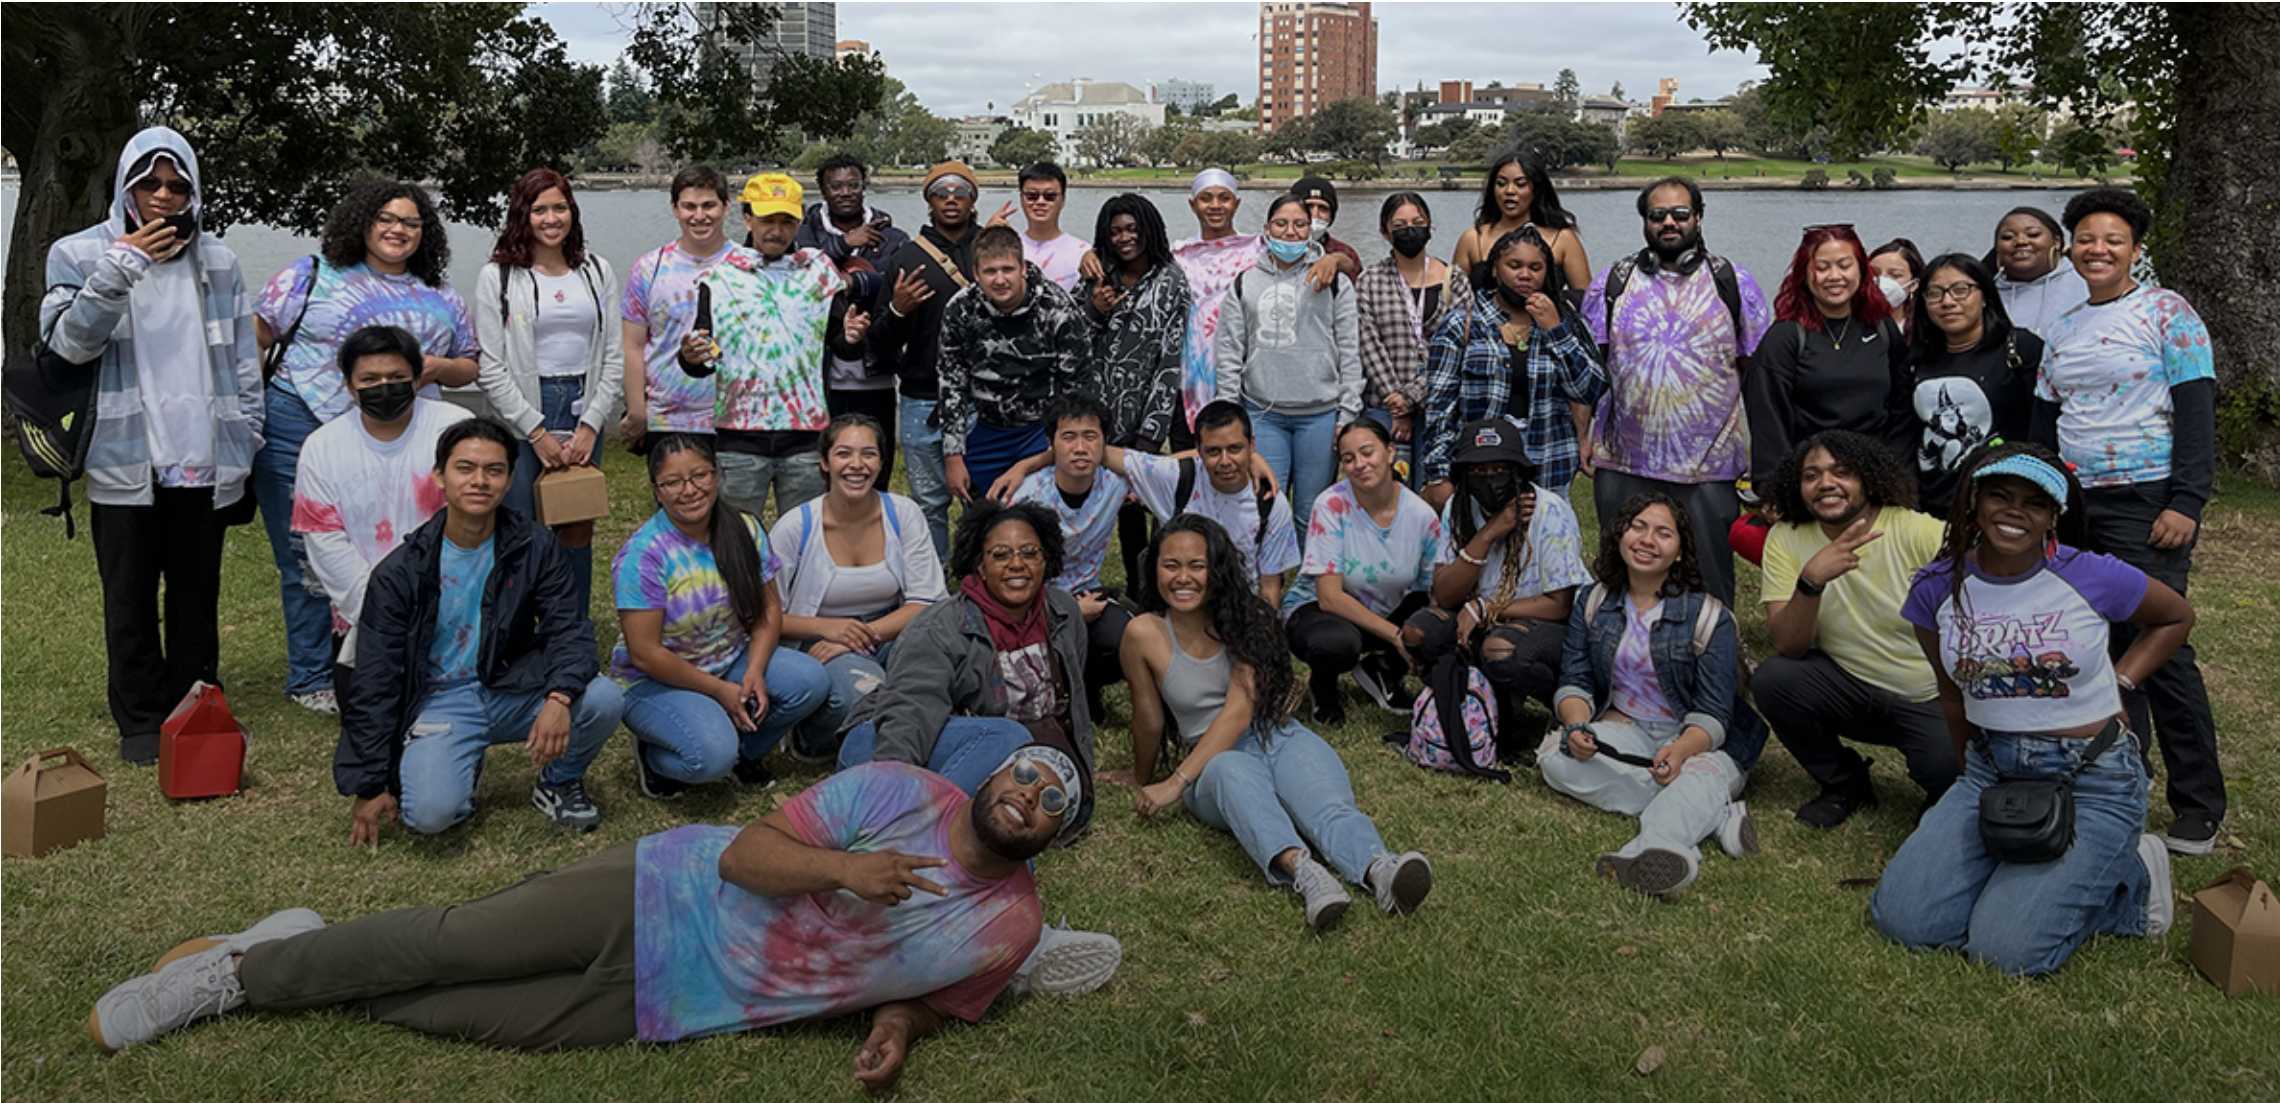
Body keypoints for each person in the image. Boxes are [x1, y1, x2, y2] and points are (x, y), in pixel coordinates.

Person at [90, 753, 1072, 1092]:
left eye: (1053, 796)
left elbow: (942, 999)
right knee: (451, 940)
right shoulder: (901, 789)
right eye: (1024, 771)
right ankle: (228, 978)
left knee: (450, 1012)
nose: (1029, 790)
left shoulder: (1011, 927)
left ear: (1053, 835)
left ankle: (290, 947)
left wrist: (899, 1025)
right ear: (992, 777)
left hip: (685, 1000)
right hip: (662, 890)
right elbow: (745, 854)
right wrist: (845, 869)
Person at [1872, 444, 2191, 976]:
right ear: (1975, 501)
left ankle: (2134, 879)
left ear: (2053, 517)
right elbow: (1953, 696)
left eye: (2034, 503)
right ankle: (2017, 870)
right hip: (1990, 773)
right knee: (1905, 922)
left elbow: (2177, 617)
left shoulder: (2091, 575)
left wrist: (2122, 680)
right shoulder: (1937, 588)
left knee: (2005, 953)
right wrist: (1966, 784)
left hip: (2093, 778)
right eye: (2000, 495)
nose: (2015, 511)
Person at [835, 499, 1124, 998]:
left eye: (1029, 552)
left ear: (1047, 558)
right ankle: (1020, 943)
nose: (1017, 564)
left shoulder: (1061, 612)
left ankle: (960, 931)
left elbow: (1068, 706)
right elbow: (910, 712)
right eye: (1001, 554)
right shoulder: (940, 627)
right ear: (977, 562)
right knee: (1007, 743)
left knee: (1013, 792)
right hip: (888, 747)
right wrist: (890, 800)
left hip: (998, 770)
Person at [39, 126, 262, 766]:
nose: (163, 197)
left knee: (196, 597)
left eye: (177, 185)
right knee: (130, 598)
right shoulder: (78, 254)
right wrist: (121, 266)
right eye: (149, 183)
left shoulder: (217, 260)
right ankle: (139, 718)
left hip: (206, 456)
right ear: (126, 187)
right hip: (123, 457)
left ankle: (196, 707)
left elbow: (244, 362)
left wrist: (248, 437)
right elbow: (67, 346)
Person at [1119, 513, 1433, 931]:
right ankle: (1305, 873)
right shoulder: (1144, 632)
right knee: (1231, 769)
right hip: (1210, 765)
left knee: (1325, 807)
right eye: (1170, 565)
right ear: (1154, 567)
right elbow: (1147, 716)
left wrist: (1171, 783)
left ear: (1217, 568)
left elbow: (1239, 711)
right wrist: (1143, 778)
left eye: (1197, 565)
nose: (1183, 577)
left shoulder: (1249, 617)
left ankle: (1382, 871)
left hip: (1274, 734)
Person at [2032, 186, 2225, 856]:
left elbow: (2196, 409)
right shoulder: (2063, 328)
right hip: (2079, 506)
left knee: (2162, 650)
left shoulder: (2167, 312)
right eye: (2086, 239)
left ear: (2135, 251)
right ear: (2069, 249)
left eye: (2113, 239)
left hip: (2148, 501)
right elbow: (2044, 422)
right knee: (2103, 649)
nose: (2099, 250)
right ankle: (2125, 783)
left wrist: (2187, 500)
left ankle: (2200, 803)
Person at [336, 417, 625, 841]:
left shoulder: (535, 547)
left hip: (513, 685)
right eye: (465, 468)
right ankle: (458, 760)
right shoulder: (401, 571)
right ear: (439, 475)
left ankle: (558, 782)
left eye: (494, 470)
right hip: (440, 702)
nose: (480, 481)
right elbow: (374, 678)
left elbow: (569, 628)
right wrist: (369, 784)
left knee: (602, 696)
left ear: (510, 480)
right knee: (431, 817)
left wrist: (560, 695)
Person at [254, 178, 480, 714]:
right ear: (361, 221)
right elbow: (255, 338)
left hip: (396, 435)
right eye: (386, 218)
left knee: (384, 541)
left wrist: (436, 369)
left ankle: (384, 647)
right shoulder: (310, 275)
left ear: (425, 234)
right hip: (298, 422)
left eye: (410, 222)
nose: (397, 230)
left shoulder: (441, 294)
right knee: (306, 554)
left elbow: (470, 362)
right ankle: (311, 673)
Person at [1542, 492, 1766, 897]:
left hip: (1702, 742)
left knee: (1698, 776)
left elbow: (1715, 714)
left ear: (1680, 551)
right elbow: (1575, 680)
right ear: (1619, 536)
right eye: (1638, 527)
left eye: (1664, 533)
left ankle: (1657, 847)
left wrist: (1681, 752)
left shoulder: (1707, 616)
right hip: (1628, 729)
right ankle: (1712, 814)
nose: (1647, 540)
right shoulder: (1593, 601)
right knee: (1553, 758)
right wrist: (1575, 725)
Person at [1580, 177, 1772, 605]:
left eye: (1680, 214)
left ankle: (1720, 657)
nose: (1669, 222)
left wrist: (1764, 456)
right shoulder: (1612, 282)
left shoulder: (1734, 283)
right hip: (1622, 458)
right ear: (1645, 222)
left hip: (1708, 464)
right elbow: (1590, 370)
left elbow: (1756, 375)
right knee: (1619, 574)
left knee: (1709, 578)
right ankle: (1617, 657)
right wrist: (1583, 434)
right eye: (1657, 215)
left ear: (1698, 218)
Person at [610, 434, 830, 798]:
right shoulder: (643, 555)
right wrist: (718, 691)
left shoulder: (744, 527)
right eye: (673, 482)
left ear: (717, 474)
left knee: (810, 681)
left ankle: (745, 753)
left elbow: (768, 609)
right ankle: (654, 757)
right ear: (657, 490)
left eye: (700, 475)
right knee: (710, 756)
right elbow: (644, 653)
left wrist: (755, 671)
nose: (690, 489)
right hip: (655, 680)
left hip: (729, 656)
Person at [1753, 431, 1954, 827]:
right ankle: (1845, 784)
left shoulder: (1917, 531)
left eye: (1841, 472)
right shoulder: (1786, 537)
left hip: (1924, 696)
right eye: (1812, 475)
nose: (1826, 483)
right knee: (1774, 678)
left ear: (1867, 478)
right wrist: (1811, 580)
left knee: (1947, 772)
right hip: (1847, 686)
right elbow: (1789, 646)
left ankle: (1940, 794)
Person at [474, 167, 625, 617]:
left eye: (560, 207)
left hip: (583, 409)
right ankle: (518, 633)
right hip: (522, 412)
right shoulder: (498, 276)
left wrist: (591, 425)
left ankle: (570, 629)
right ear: (523, 215)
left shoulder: (596, 271)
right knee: (521, 530)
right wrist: (535, 431)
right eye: (539, 209)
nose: (551, 218)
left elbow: (613, 356)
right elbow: (490, 365)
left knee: (575, 526)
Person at [292, 325, 473, 676]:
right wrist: (381, 611)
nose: (384, 387)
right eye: (370, 379)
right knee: (372, 723)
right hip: (363, 620)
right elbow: (324, 542)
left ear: (418, 377)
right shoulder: (321, 447)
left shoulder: (456, 429)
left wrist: (441, 607)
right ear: (348, 385)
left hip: (457, 612)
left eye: (396, 376)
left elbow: (478, 519)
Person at [994, 399, 1299, 603]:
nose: (1225, 461)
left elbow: (1271, 587)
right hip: (1184, 603)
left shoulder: (1270, 504)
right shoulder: (1176, 479)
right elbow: (1089, 450)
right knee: (1135, 636)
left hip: (1239, 607)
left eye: (1236, 449)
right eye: (1213, 451)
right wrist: (1028, 464)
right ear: (1199, 450)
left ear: (1251, 445)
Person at [1406, 418, 1592, 748]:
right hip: (1480, 618)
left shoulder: (1550, 510)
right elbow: (1444, 594)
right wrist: (1490, 531)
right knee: (1419, 633)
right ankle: (1476, 699)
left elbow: (1561, 605)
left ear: (1518, 471)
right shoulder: (1458, 507)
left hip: (1547, 626)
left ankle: (1544, 708)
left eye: (1498, 469)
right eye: (1476, 472)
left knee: (1500, 649)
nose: (1488, 480)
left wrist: (1484, 607)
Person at [770, 415, 947, 762]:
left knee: (936, 676)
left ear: (881, 463)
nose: (856, 465)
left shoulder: (903, 514)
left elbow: (925, 601)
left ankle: (902, 740)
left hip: (889, 628)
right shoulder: (795, 528)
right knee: (864, 693)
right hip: (818, 634)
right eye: (844, 454)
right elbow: (767, 617)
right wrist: (829, 630)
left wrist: (860, 634)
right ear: (824, 463)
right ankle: (812, 736)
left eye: (868, 454)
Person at [704, 172, 859, 521]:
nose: (776, 230)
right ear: (747, 219)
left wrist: (852, 337)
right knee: (739, 542)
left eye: (786, 221)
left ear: (799, 220)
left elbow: (843, 346)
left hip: (805, 436)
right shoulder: (718, 277)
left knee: (805, 539)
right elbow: (701, 359)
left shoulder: (818, 271)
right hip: (738, 436)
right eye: (767, 220)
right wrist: (691, 356)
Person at [1418, 225, 1607, 506]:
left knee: (1545, 548)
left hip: (1548, 468)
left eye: (1535, 267)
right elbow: (1440, 406)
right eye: (1514, 265)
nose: (1525, 275)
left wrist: (1556, 330)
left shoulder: (1566, 322)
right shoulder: (1462, 324)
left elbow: (1590, 391)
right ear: (1495, 269)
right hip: (1481, 470)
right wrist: (1438, 474)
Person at [1215, 193, 1363, 527]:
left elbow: (1350, 352)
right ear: (1267, 229)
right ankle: (1267, 578)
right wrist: (1230, 414)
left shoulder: (1335, 282)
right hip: (1262, 413)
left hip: (1320, 416)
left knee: (1311, 511)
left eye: (1300, 225)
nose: (1290, 232)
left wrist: (1347, 412)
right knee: (1265, 504)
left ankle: (1310, 580)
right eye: (1282, 224)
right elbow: (1228, 353)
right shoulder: (1244, 284)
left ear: (1311, 230)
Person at [1284, 420, 1443, 727]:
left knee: (1437, 619)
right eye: (1348, 459)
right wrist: (1398, 637)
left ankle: (1382, 670)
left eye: (1367, 453)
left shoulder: (1421, 515)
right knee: (1335, 643)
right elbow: (1329, 598)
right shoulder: (1330, 505)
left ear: (1390, 452)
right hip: (1320, 611)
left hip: (1384, 611)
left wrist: (1416, 636)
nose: (1359, 464)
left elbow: (1430, 590)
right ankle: (1323, 686)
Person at [1166, 170, 1344, 440]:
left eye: (1224, 198)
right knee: (1192, 463)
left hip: (1253, 377)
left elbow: (1317, 259)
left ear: (1236, 203)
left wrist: (1336, 259)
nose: (1215, 205)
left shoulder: (1259, 248)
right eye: (1206, 198)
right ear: (1192, 204)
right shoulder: (1177, 256)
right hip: (1192, 378)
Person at [1077, 192, 1191, 587]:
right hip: (1093, 414)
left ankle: (1140, 588)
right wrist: (1095, 310)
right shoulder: (1095, 274)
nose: (1125, 238)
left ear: (1148, 230)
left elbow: (1170, 361)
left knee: (1136, 510)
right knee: (1085, 504)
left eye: (1132, 229)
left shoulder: (1172, 281)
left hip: (1141, 415)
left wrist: (1150, 435)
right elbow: (1073, 341)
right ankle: (1079, 582)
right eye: (1115, 232)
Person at [873, 160, 984, 564]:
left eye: (961, 191)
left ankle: (981, 585)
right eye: (941, 191)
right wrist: (898, 311)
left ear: (973, 199)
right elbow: (881, 342)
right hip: (922, 399)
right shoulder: (905, 257)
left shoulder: (991, 251)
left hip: (981, 400)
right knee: (927, 505)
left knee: (982, 502)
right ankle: (932, 586)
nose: (951, 199)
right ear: (929, 200)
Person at [1744, 224, 1912, 486]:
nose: (1835, 276)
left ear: (1861, 270)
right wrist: (1773, 487)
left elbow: (1903, 405)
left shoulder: (1881, 327)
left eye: (1845, 266)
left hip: (1875, 479)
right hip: (1812, 482)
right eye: (1822, 268)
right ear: (1805, 274)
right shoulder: (1786, 337)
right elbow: (1768, 420)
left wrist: (1894, 470)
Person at [938, 224, 1094, 502]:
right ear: (976, 273)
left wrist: (1061, 442)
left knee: (1041, 518)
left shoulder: (1058, 308)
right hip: (985, 427)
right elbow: (951, 383)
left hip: (1041, 430)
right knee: (984, 519)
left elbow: (1077, 387)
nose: (1000, 280)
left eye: (1007, 270)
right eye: (990, 271)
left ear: (1022, 267)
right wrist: (953, 454)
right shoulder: (959, 309)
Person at [1012, 396, 1135, 721]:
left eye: (1090, 436)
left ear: (1105, 443)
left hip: (1088, 591)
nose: (1080, 447)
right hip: (1031, 604)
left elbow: (1181, 466)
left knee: (1126, 639)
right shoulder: (1027, 498)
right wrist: (1066, 611)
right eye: (1068, 437)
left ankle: (1086, 687)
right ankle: (1056, 694)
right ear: (1051, 443)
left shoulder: (1117, 484)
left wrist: (1250, 458)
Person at [620, 164, 752, 448]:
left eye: (709, 206)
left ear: (726, 207)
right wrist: (636, 409)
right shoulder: (649, 268)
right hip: (668, 418)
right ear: (674, 208)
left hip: (737, 418)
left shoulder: (751, 266)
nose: (699, 216)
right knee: (676, 493)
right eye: (689, 207)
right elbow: (632, 345)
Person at [795, 153, 910, 468]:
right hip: (820, 378)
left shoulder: (894, 238)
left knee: (876, 465)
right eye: (836, 186)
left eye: (852, 184)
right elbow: (802, 278)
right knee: (827, 467)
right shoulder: (804, 233)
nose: (845, 192)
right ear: (823, 191)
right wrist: (845, 243)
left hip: (877, 374)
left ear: (864, 187)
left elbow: (893, 285)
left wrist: (854, 281)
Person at [1906, 253, 2041, 516]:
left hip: (2001, 502)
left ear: (1985, 296)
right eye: (1935, 293)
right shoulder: (1915, 359)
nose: (1948, 301)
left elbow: (2043, 426)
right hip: (1932, 506)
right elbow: (1905, 433)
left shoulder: (2018, 348)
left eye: (1961, 290)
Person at [1355, 192, 1468, 483]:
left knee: (1434, 490)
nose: (1410, 230)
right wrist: (1396, 402)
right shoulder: (1369, 280)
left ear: (1429, 226)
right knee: (1388, 491)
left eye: (1417, 222)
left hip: (1440, 404)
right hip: (1383, 405)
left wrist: (1410, 397)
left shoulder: (1453, 279)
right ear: (1385, 231)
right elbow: (1368, 344)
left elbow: (1459, 347)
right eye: (1400, 224)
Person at [1447, 149, 1591, 300]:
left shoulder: (1563, 239)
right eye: (1501, 184)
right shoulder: (1473, 238)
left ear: (1536, 189)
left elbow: (1587, 303)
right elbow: (1454, 300)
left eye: (1520, 184)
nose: (1509, 191)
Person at [1986, 205, 2089, 337]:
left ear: (2056, 242)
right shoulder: (1983, 295)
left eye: (2033, 234)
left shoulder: (2087, 283)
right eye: (2008, 237)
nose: (2020, 241)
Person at [1008, 161, 1090, 292]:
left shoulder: (1083, 253)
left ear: (1063, 200)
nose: (1040, 202)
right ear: (1021, 199)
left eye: (1049, 196)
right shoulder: (1006, 248)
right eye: (1032, 196)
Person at [1288, 174, 1364, 274]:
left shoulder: (1346, 252)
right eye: (1308, 206)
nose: (1314, 215)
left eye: (1323, 209)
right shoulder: (1273, 248)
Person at [1869, 237, 1925, 338]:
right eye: (1874, 273)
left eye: (1895, 275)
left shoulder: (1924, 330)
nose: (1882, 280)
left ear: (1913, 285)